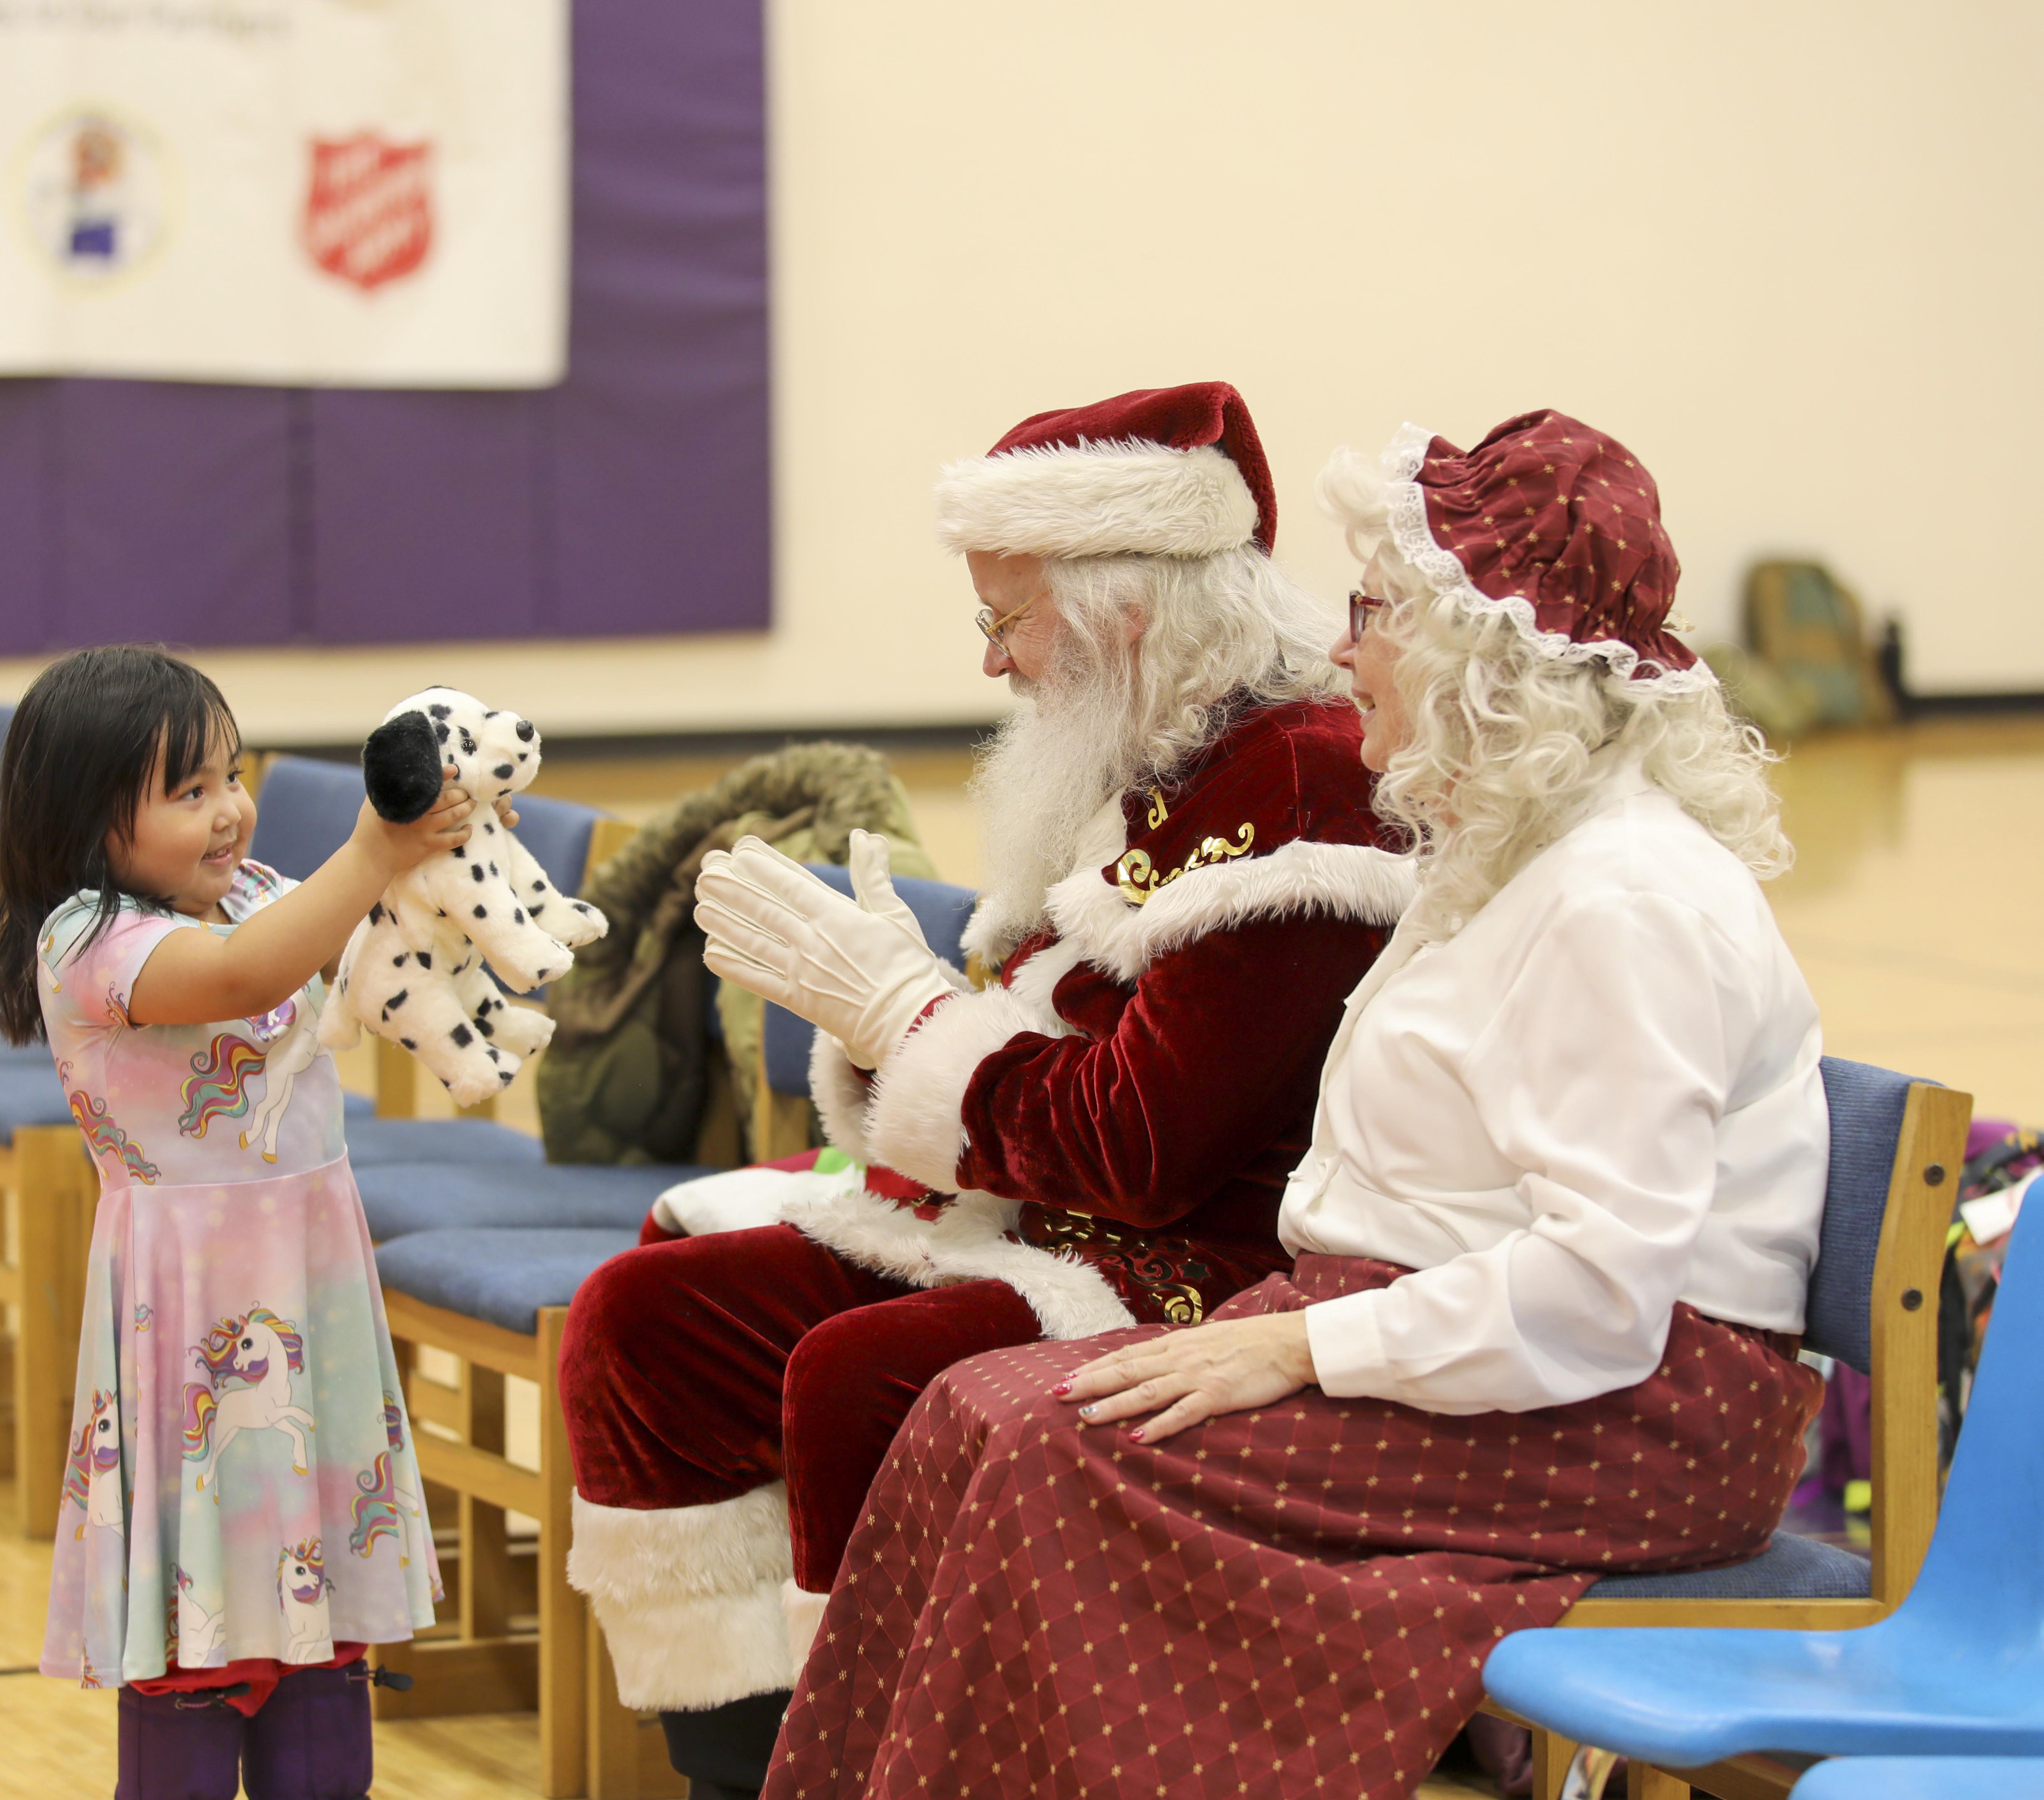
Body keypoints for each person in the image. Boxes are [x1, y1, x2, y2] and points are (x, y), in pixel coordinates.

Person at [758, 411, 1831, 1800]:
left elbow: (1600, 1296)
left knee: (1058, 1458)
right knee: (972, 1412)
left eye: (1376, 611)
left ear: (1481, 655)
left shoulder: (1624, 897)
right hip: (1485, 1340)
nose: (1341, 647)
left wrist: (1302, 1347)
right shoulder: (1518, 849)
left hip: (1639, 1411)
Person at [558, 383, 1417, 1798]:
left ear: (1119, 608)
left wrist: (902, 1015)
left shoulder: (1304, 788)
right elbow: (1033, 1038)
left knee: (856, 1376)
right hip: (1037, 1222)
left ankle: (873, 1765)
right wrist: (893, 1011)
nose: (996, 664)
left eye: (1005, 620)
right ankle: (743, 1769)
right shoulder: (1151, 748)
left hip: (1208, 1271)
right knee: (649, 1323)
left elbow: (1146, 1148)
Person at [0, 644, 468, 1800]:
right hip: (193, 1311)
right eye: (187, 792)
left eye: (231, 775)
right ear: (88, 821)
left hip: (311, 1286)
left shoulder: (249, 891)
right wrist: (368, 849)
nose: (229, 810)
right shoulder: (89, 941)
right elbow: (248, 977)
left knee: (323, 1639)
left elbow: (340, 950)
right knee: (197, 1643)